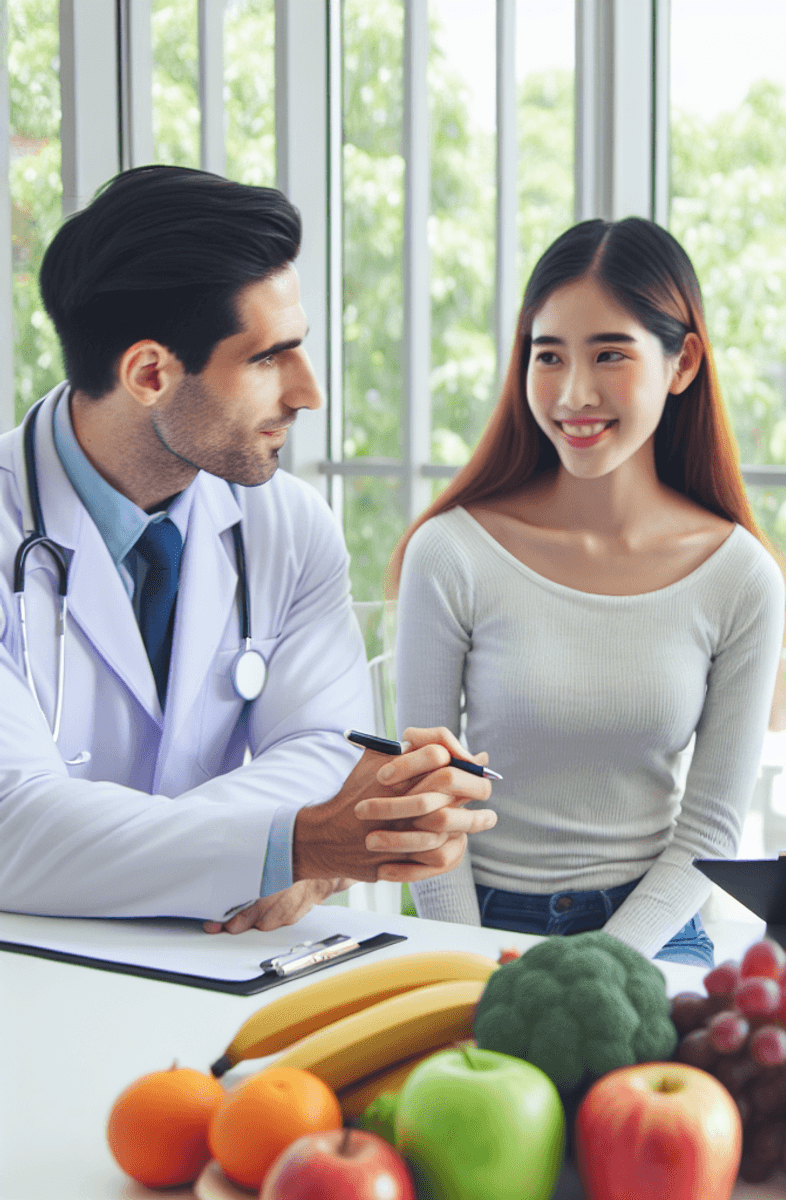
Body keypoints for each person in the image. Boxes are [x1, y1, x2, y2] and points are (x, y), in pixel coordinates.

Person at [0, 166, 496, 932]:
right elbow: (13, 828)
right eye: (269, 358)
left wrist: (212, 857)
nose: (308, 392)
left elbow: (319, 751)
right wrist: (287, 844)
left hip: (220, 957)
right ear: (149, 373)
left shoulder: (289, 527)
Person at [383, 217, 786, 966]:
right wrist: (468, 966)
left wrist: (606, 963)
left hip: (654, 933)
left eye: (610, 354)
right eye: (548, 355)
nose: (574, 393)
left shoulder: (740, 576)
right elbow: (429, 802)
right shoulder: (452, 552)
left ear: (682, 362)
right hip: (478, 928)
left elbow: (710, 829)